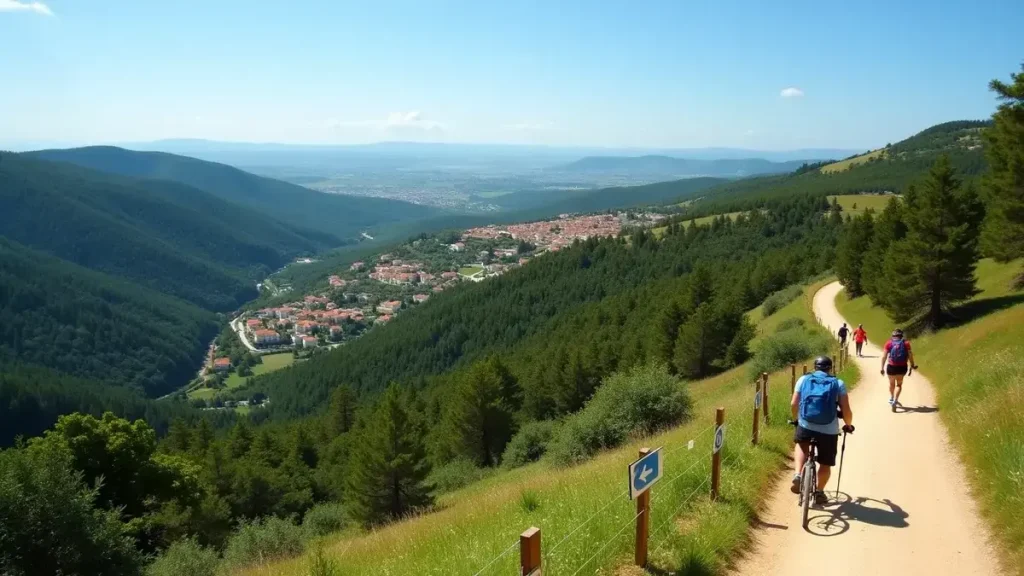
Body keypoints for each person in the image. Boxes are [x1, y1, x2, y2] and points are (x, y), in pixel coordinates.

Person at [790, 356, 855, 507]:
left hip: (806, 424)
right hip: (829, 430)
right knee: (825, 464)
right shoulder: (838, 384)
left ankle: (798, 474)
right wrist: (849, 425)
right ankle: (819, 492)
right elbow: (846, 410)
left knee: (801, 445)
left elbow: (794, 403)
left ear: (815, 367)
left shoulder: (803, 380)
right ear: (830, 368)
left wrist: (796, 419)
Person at [881, 329, 917, 410]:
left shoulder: (889, 343)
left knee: (891, 384)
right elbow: (910, 355)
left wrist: (882, 368)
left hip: (891, 367)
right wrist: (912, 364)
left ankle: (891, 398)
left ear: (893, 336)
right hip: (902, 367)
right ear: (901, 336)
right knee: (899, 385)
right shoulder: (906, 343)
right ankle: (895, 400)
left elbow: (884, 357)